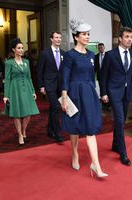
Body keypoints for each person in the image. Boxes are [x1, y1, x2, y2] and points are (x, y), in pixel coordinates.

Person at [61, 19, 108, 178]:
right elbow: (65, 78)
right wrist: (65, 98)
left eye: (88, 34)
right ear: (76, 37)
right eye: (84, 34)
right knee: (74, 125)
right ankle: (74, 153)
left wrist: (97, 93)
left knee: (90, 127)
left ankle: (96, 164)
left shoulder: (90, 55)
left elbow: (92, 76)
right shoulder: (69, 55)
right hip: (74, 92)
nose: (87, 37)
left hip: (88, 92)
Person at [100, 27, 132, 166]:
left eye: (131, 37)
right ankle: (123, 152)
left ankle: (115, 144)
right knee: (119, 120)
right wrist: (103, 93)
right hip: (114, 92)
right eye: (126, 36)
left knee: (122, 120)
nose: (129, 39)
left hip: (127, 92)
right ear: (120, 38)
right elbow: (103, 76)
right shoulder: (110, 55)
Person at [3, 38, 39, 145]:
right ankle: (20, 134)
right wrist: (6, 95)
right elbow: (7, 79)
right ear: (14, 50)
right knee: (17, 114)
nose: (21, 50)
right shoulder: (9, 63)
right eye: (19, 48)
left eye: (22, 48)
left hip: (27, 88)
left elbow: (29, 77)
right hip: (15, 90)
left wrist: (33, 91)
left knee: (28, 113)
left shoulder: (27, 62)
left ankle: (24, 130)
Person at [37, 31, 66, 143]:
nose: (58, 39)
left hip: (60, 85)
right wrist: (41, 86)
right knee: (56, 107)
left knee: (53, 108)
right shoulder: (45, 53)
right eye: (56, 37)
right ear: (51, 39)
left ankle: (50, 130)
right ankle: (57, 133)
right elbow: (40, 71)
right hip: (49, 85)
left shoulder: (64, 53)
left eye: (60, 37)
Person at [94, 43, 110, 111]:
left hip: (108, 77)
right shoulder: (96, 56)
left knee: (108, 90)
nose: (101, 49)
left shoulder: (108, 55)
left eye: (102, 47)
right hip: (100, 77)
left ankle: (109, 105)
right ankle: (104, 105)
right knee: (102, 91)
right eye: (99, 48)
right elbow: (95, 68)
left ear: (104, 48)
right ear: (98, 49)